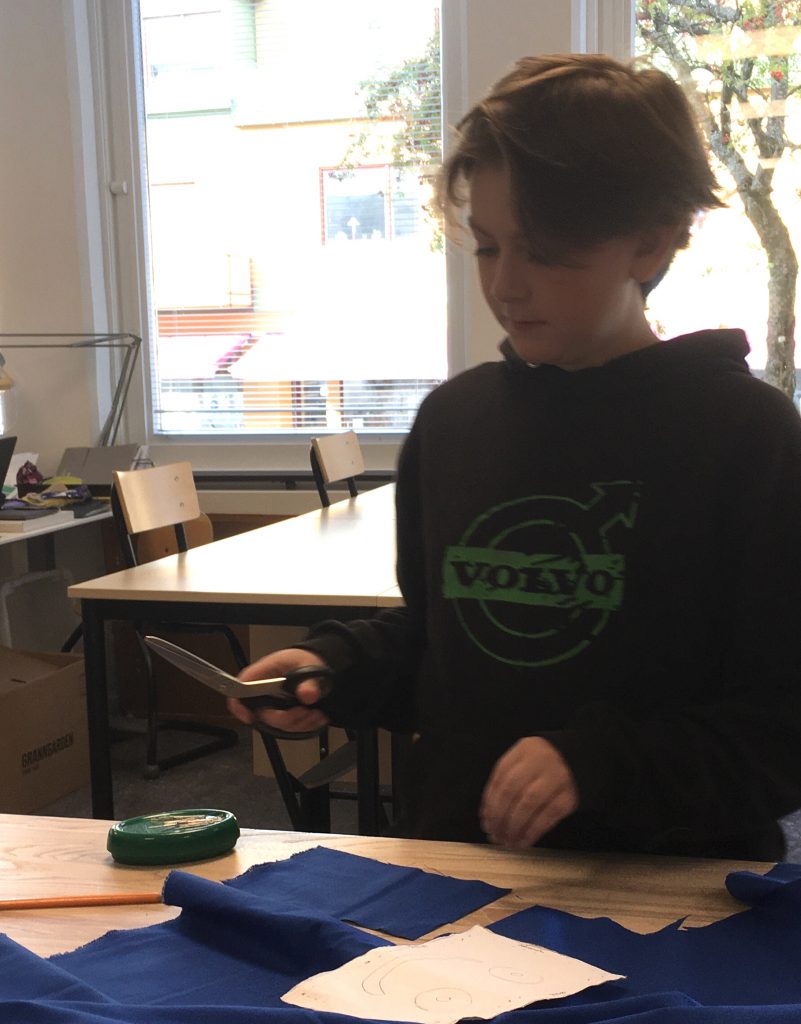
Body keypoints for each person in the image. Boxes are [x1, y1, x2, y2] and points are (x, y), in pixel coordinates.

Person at [229, 53, 801, 859]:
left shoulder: (749, 439)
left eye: (544, 252)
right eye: (486, 248)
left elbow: (781, 729)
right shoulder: (453, 421)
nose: (505, 286)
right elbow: (442, 643)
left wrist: (601, 763)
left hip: (664, 889)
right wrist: (339, 667)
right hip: (454, 866)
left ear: (651, 242)